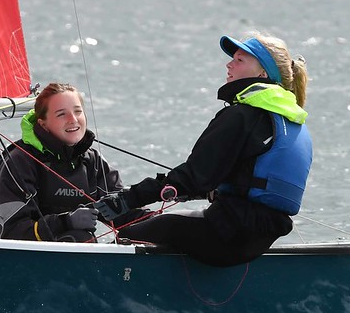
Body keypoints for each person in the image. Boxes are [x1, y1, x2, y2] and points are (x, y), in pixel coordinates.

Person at [91, 32, 312, 266]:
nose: (229, 64)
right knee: (163, 222)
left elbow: (192, 177)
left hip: (227, 235)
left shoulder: (241, 116)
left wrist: (126, 200)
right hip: (259, 239)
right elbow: (236, 179)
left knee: (133, 234)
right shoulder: (291, 120)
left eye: (239, 60)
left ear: (263, 73)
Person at [0, 82, 131, 241]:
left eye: (78, 111)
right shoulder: (19, 161)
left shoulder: (93, 161)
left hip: (75, 254)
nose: (73, 119)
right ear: (43, 124)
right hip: (21, 255)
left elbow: (124, 213)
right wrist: (66, 222)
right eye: (61, 114)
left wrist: (155, 194)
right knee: (79, 237)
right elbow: (11, 232)